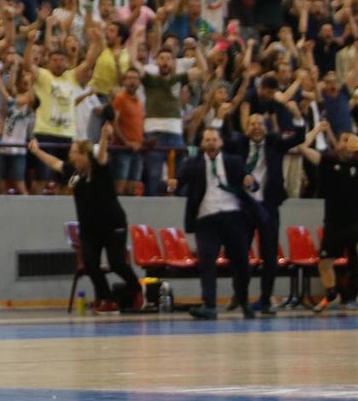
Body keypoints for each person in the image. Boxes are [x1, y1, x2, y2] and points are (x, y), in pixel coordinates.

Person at [29, 124, 144, 313]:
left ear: (84, 155)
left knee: (117, 263)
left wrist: (104, 137)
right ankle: (107, 299)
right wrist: (37, 151)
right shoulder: (74, 175)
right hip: (90, 228)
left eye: (74, 152)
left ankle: (137, 290)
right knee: (90, 265)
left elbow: (101, 156)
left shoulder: (100, 169)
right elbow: (54, 163)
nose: (70, 156)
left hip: (112, 224)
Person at [168, 127, 258, 320]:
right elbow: (177, 183)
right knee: (207, 262)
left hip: (233, 217)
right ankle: (209, 305)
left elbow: (252, 183)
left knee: (241, 263)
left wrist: (250, 183)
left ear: (220, 143)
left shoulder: (234, 162)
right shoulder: (193, 164)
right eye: (207, 140)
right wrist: (172, 185)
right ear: (202, 144)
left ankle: (244, 301)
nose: (210, 143)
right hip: (206, 220)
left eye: (214, 139)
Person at [225, 110, 305, 315]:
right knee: (240, 253)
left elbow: (300, 137)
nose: (256, 127)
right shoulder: (239, 144)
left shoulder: (275, 142)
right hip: (244, 206)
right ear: (246, 128)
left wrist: (295, 113)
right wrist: (221, 116)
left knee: (269, 255)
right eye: (252, 124)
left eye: (260, 123)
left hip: (268, 206)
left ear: (266, 127)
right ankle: (240, 296)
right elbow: (221, 140)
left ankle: (265, 299)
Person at [296, 128, 358, 316]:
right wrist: (318, 129)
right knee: (324, 262)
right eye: (344, 140)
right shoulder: (327, 162)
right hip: (334, 221)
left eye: (351, 140)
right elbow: (301, 147)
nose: (348, 143)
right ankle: (331, 294)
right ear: (337, 143)